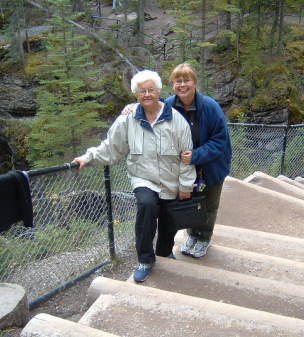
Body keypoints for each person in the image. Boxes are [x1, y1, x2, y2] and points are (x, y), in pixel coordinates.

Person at [72, 70, 196, 283]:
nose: (147, 94)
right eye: (142, 91)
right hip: (143, 178)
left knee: (168, 221)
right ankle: (145, 260)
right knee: (146, 208)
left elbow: (186, 156)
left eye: (150, 90)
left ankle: (164, 252)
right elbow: (111, 147)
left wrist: (185, 185)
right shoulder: (127, 119)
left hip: (171, 180)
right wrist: (88, 157)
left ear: (158, 91)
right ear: (136, 94)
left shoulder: (176, 120)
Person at [122, 63, 232, 258]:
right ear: (172, 84)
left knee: (209, 203)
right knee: (189, 202)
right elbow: (152, 104)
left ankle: (204, 238)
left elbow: (220, 140)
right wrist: (134, 106)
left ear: (194, 82)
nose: (182, 85)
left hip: (210, 164)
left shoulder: (210, 106)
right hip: (183, 165)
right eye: (178, 81)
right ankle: (192, 234)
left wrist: (196, 155)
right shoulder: (171, 104)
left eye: (186, 80)